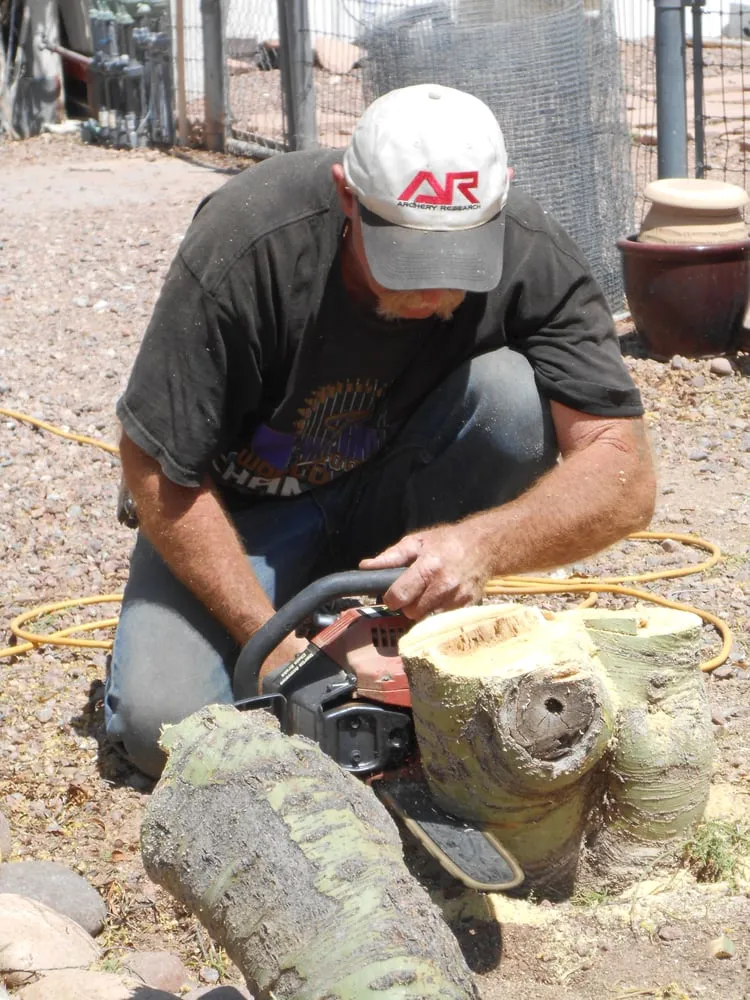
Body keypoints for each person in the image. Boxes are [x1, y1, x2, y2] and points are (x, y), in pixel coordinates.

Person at [107, 83, 656, 779]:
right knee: (162, 726)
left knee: (513, 398)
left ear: (500, 197)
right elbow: (155, 464)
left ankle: (398, 627)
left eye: (455, 263)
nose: (432, 292)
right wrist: (281, 653)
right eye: (406, 260)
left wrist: (477, 546)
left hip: (392, 504)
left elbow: (624, 473)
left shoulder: (530, 248)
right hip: (244, 515)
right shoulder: (251, 238)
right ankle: (298, 631)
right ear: (347, 196)